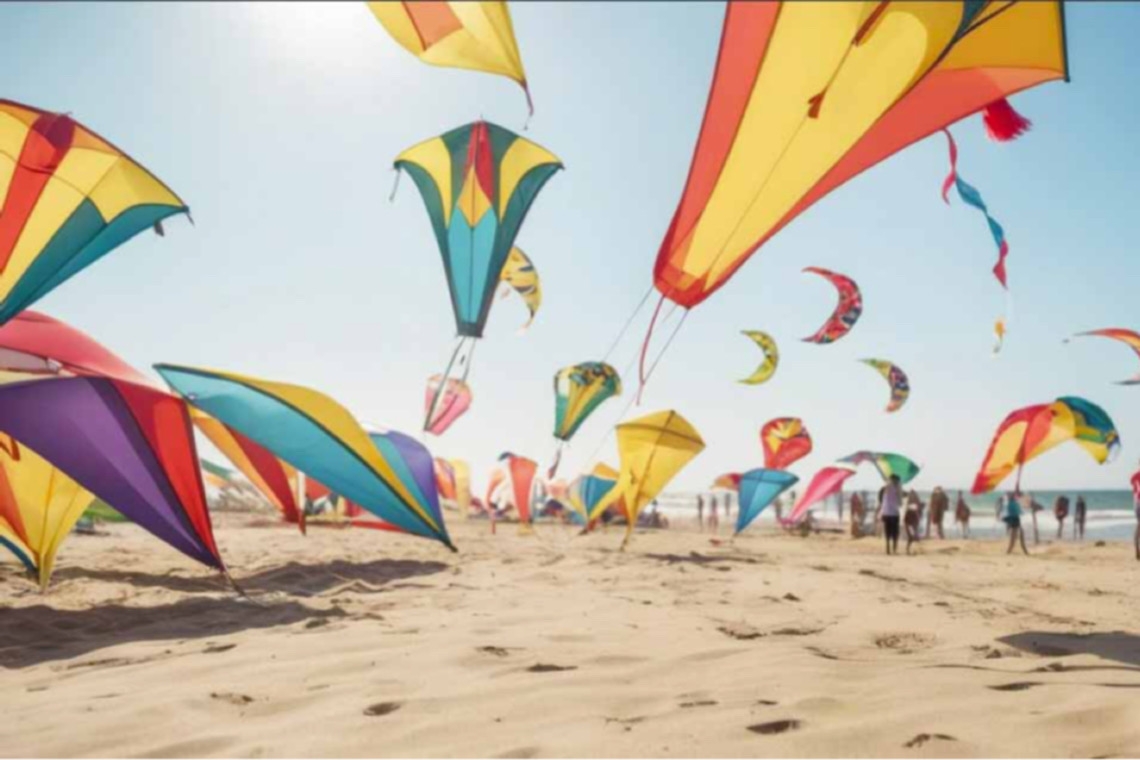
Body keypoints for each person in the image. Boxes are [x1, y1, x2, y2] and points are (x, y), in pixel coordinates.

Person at [880, 475, 902, 555]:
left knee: (887, 531)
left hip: (886, 513)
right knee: (895, 532)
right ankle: (894, 549)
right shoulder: (897, 488)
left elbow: (882, 497)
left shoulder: (886, 487)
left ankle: (888, 548)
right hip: (894, 513)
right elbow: (900, 503)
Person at [1004, 491, 1029, 555]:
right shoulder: (1012, 503)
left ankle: (1024, 551)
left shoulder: (1009, 503)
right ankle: (1009, 552)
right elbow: (1019, 512)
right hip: (1015, 520)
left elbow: (1018, 511)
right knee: (1015, 537)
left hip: (1014, 520)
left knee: (1016, 536)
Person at [1132, 463, 1140, 560]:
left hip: (1136, 504)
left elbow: (1135, 491)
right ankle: (1137, 551)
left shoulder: (1134, 476)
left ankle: (1137, 550)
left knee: (1138, 526)